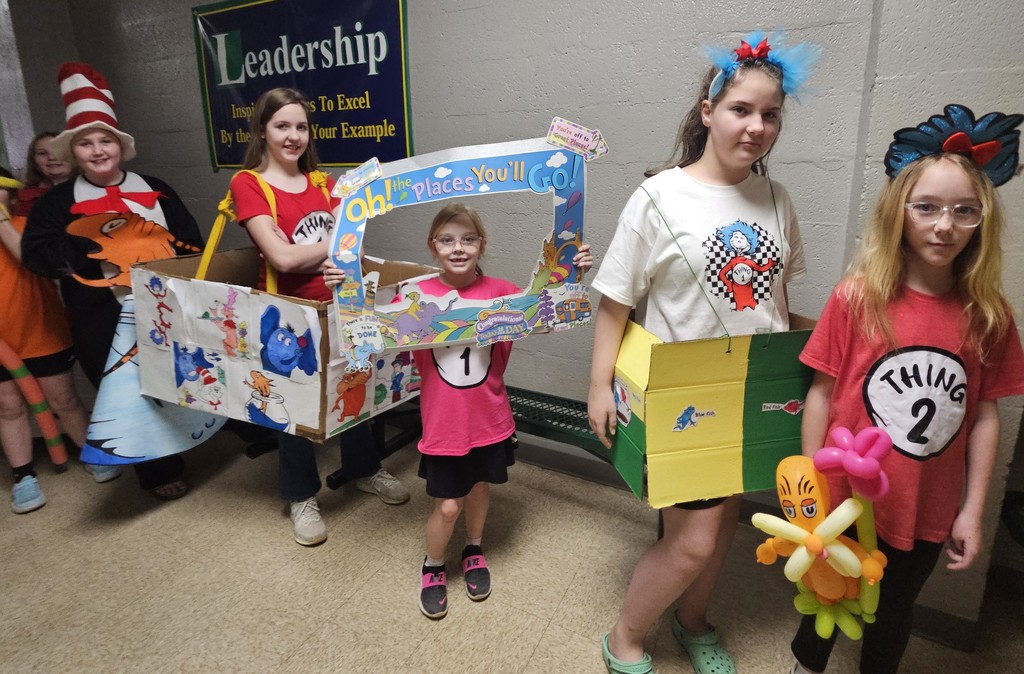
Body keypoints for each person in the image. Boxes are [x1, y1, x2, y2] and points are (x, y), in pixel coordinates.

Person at [587, 32, 819, 674]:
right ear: (708, 111)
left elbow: (776, 295)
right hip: (681, 395)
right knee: (692, 541)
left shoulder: (776, 200)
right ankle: (626, 637)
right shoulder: (658, 197)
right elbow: (613, 301)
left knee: (721, 528)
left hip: (753, 390)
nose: (756, 126)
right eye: (741, 109)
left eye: (770, 114)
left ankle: (693, 623)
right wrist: (599, 385)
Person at [789, 104, 1024, 674]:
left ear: (982, 220)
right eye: (928, 208)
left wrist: (972, 511)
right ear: (900, 212)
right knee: (828, 591)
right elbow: (822, 392)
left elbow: (984, 416)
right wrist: (807, 486)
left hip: (926, 505)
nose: (944, 226)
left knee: (895, 611)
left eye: (964, 211)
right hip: (845, 497)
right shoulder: (856, 298)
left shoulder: (988, 314)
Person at [377, 202, 591, 619]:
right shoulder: (414, 295)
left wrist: (573, 274)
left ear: (482, 244)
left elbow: (550, 315)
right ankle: (434, 564)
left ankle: (474, 549)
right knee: (447, 505)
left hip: (490, 421)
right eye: (447, 240)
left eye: (468, 239)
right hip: (444, 426)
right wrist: (340, 282)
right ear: (433, 246)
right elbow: (369, 328)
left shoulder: (503, 292)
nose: (458, 248)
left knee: (478, 489)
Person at [230, 87, 410, 547]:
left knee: (355, 387)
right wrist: (328, 249)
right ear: (263, 130)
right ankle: (300, 497)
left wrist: (306, 251)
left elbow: (354, 249)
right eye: (281, 126)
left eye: (301, 127)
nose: (293, 137)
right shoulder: (249, 184)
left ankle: (364, 468)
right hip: (287, 317)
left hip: (342, 304)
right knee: (294, 408)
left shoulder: (326, 185)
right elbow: (282, 261)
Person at [21, 62, 203, 500]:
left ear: (119, 146)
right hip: (101, 317)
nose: (97, 150)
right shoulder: (58, 202)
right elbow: (36, 255)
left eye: (105, 140)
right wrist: (89, 250)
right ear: (73, 152)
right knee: (128, 395)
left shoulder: (154, 188)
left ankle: (199, 438)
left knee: (183, 380)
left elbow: (192, 243)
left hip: (163, 309)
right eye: (86, 143)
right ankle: (158, 471)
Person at [1, 168, 119, 513]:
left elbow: (31, 257)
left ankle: (91, 455)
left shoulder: (25, 229)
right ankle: (23, 475)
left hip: (41, 331)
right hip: (3, 342)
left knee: (64, 399)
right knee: (8, 406)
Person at [14, 132, 73, 217]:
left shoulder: (93, 189)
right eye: (42, 153)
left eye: (59, 151)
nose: (52, 157)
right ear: (34, 161)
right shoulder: (22, 199)